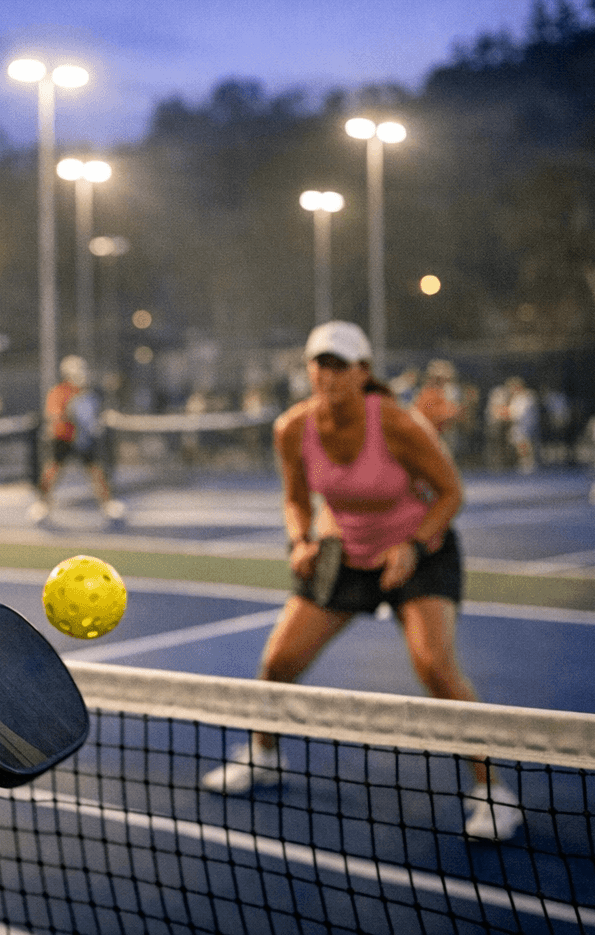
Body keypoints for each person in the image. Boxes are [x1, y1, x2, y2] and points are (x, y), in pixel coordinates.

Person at [200, 321, 522, 842]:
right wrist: (298, 539)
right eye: (318, 363)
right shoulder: (292, 428)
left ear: (362, 373)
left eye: (338, 365)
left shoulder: (397, 423)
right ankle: (263, 756)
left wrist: (413, 546)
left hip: (418, 551)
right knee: (278, 662)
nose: (326, 375)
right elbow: (295, 498)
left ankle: (493, 793)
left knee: (435, 668)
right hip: (344, 554)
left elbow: (450, 493)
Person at [28, 354, 124, 526]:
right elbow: (55, 414)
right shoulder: (59, 391)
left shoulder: (88, 393)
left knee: (96, 471)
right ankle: (42, 504)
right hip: (64, 437)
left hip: (84, 439)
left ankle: (108, 505)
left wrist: (94, 422)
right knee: (53, 470)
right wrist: (72, 416)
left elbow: (94, 414)